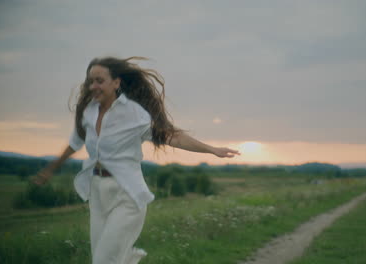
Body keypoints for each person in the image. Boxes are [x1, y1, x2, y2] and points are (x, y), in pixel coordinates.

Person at [33, 56, 240, 264]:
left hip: (127, 195)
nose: (93, 86)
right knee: (101, 258)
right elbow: (74, 143)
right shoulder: (88, 113)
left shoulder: (134, 114)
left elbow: (171, 136)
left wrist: (211, 149)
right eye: (90, 81)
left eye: (99, 81)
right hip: (97, 192)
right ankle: (127, 258)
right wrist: (50, 169)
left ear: (116, 82)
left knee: (103, 261)